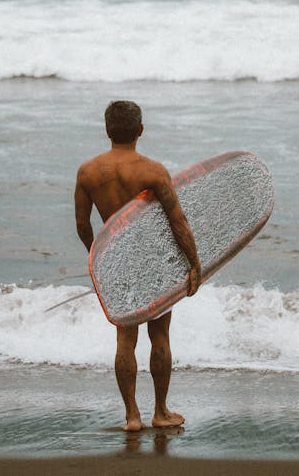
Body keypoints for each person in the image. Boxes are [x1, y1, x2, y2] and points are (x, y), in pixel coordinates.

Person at [75, 100, 201, 431]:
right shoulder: (153, 171)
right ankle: (160, 412)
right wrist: (194, 264)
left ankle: (132, 416)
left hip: (118, 264)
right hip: (154, 262)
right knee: (159, 337)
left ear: (107, 131)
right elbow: (178, 222)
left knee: (124, 340)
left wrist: (100, 258)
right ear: (140, 130)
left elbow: (82, 225)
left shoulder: (88, 172)